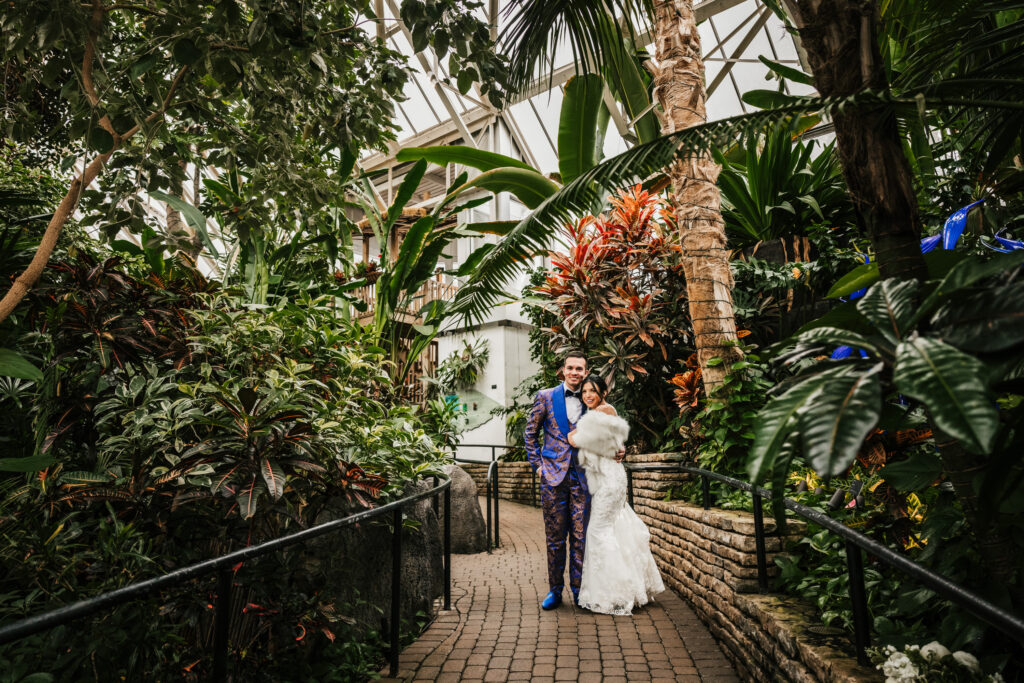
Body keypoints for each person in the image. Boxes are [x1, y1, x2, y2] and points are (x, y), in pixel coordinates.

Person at [568, 374, 665, 615]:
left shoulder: (602, 411)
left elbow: (576, 440)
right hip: (609, 476)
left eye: (592, 390)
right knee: (615, 527)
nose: (587, 395)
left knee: (598, 531)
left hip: (609, 481)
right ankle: (627, 587)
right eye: (584, 391)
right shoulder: (603, 411)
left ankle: (615, 594)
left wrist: (573, 436)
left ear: (603, 392)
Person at [524, 351, 591, 610]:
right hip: (552, 478)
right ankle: (555, 590)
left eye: (579, 369)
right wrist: (538, 467)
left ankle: (579, 591)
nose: (575, 372)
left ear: (586, 372)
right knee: (554, 538)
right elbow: (530, 434)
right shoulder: (545, 396)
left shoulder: (591, 398)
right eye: (570, 368)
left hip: (583, 477)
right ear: (563, 370)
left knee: (580, 537)